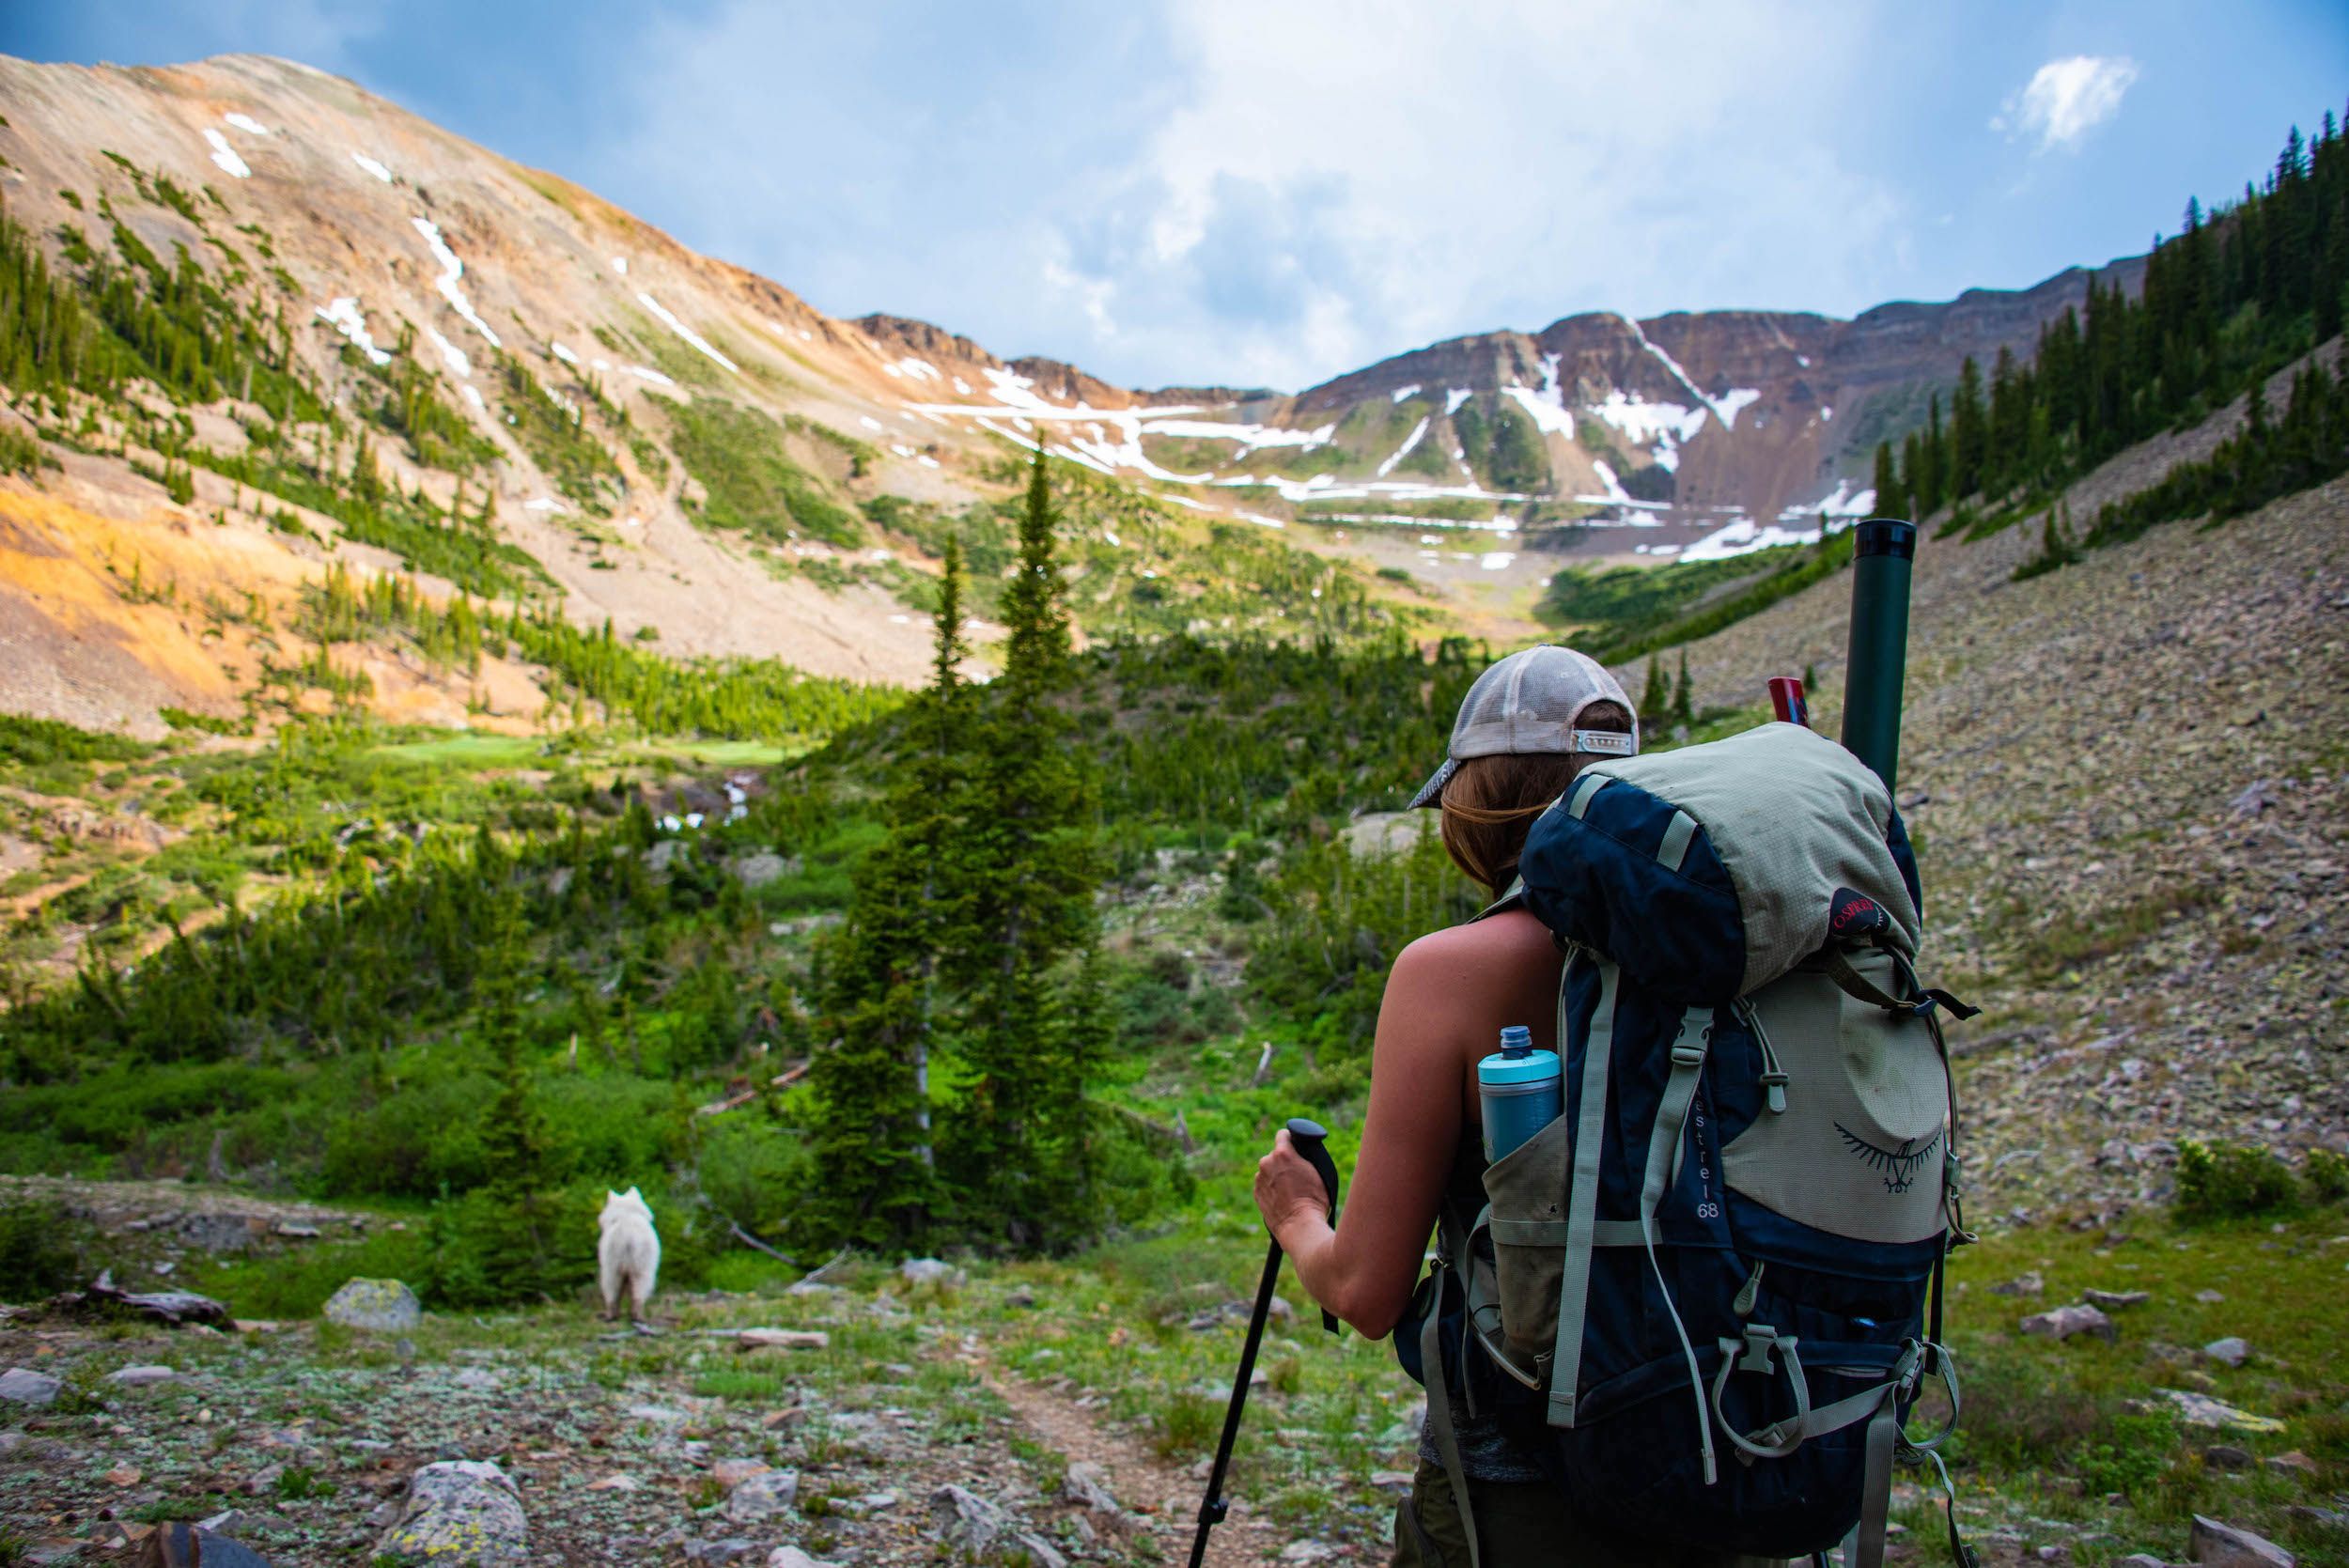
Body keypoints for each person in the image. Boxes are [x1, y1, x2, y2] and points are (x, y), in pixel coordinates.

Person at [1252, 645, 1768, 1568]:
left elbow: (1367, 1292)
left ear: (1473, 808)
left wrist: (1297, 1212)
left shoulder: (1449, 973)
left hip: (1523, 1488)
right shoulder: (1743, 958)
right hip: (1741, 1449)